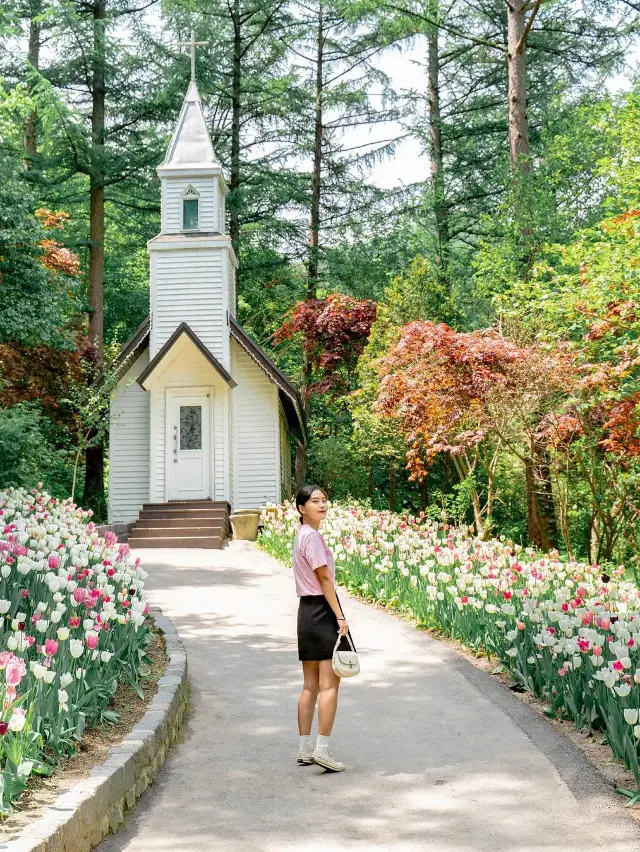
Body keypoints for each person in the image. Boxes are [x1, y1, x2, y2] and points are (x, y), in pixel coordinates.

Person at [293, 484, 351, 772]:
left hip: (306, 612)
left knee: (310, 686)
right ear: (302, 508)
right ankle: (322, 750)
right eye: (315, 501)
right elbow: (325, 579)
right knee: (330, 685)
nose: (322, 504)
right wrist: (340, 616)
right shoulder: (312, 537)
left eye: (324, 500)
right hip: (323, 610)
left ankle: (304, 748)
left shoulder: (301, 535)